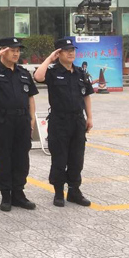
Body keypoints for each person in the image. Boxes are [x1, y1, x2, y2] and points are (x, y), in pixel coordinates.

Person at [0, 38, 38, 212]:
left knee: (21, 158)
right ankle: (5, 195)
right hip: (3, 120)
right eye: (12, 50)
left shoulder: (23, 73)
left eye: (18, 50)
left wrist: (32, 119)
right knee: (3, 157)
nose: (16, 53)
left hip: (22, 120)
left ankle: (19, 193)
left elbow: (30, 97)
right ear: (3, 51)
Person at [33, 38, 94, 208]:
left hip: (77, 120)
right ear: (58, 53)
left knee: (77, 158)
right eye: (66, 50)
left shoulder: (80, 73)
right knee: (59, 158)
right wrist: (49, 59)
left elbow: (86, 96)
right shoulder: (53, 72)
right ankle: (58, 192)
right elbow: (38, 77)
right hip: (59, 121)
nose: (71, 53)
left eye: (72, 50)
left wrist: (89, 117)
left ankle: (74, 191)